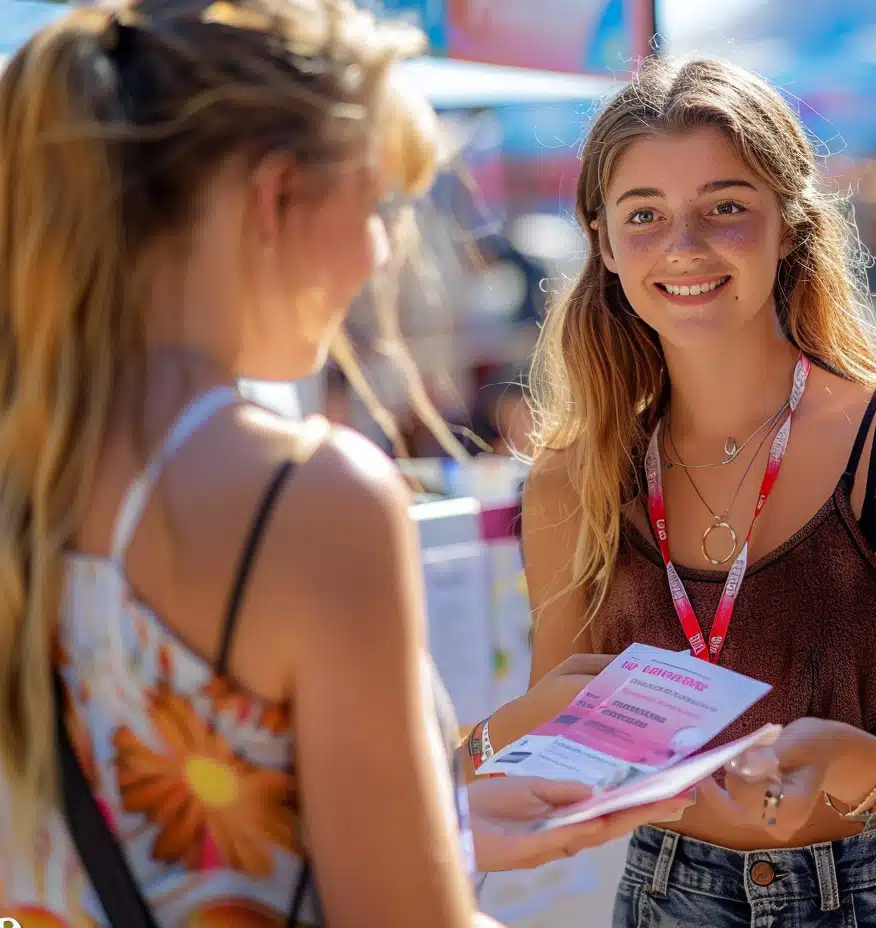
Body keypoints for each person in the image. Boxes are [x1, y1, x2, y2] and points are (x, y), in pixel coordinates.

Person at [0, 3, 688, 925]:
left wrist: (448, 826)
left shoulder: (36, 462)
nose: (378, 252)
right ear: (276, 199)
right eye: (377, 206)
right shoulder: (305, 496)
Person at [487, 56, 876, 927]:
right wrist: (515, 736)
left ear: (790, 225)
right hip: (668, 899)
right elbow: (567, 766)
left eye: (726, 207)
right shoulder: (573, 475)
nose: (685, 245)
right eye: (645, 215)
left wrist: (863, 766)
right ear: (603, 242)